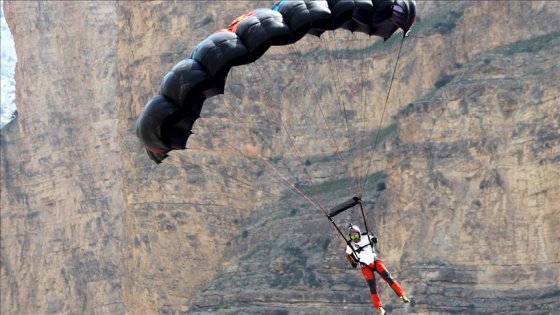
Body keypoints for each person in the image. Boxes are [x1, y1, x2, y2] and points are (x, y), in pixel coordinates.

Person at [345, 224, 409, 315]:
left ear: (359, 234)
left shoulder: (366, 237)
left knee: (388, 277)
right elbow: (347, 255)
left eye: (355, 235)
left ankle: (402, 296)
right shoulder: (350, 245)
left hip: (375, 262)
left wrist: (375, 240)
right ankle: (379, 308)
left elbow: (374, 239)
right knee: (373, 287)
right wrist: (352, 262)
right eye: (352, 236)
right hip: (365, 266)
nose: (354, 238)